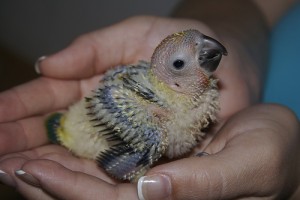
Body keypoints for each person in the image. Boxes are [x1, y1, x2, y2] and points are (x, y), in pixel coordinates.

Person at [0, 0, 299, 199]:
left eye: (200, 46)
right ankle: (61, 129)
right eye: (183, 61)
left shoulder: (193, 96)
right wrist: (240, 45)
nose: (206, 49)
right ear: (170, 77)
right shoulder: (152, 118)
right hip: (81, 132)